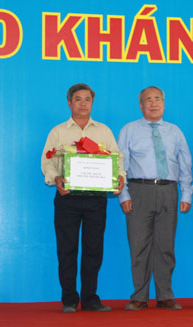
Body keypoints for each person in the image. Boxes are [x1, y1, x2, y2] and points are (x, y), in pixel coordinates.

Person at [41, 83, 125, 313]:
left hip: (96, 199)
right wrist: (55, 178)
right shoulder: (58, 131)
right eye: (78, 99)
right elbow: (47, 160)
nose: (83, 103)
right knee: (66, 249)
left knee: (93, 249)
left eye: (87, 99)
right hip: (67, 198)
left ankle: (90, 298)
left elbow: (117, 160)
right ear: (69, 102)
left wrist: (120, 177)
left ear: (92, 103)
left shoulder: (103, 131)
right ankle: (69, 299)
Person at [117, 86, 193, 311]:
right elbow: (120, 164)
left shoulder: (174, 131)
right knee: (138, 246)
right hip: (139, 191)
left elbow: (185, 163)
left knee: (165, 246)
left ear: (164, 103)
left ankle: (165, 295)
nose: (153, 103)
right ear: (141, 105)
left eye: (157, 99)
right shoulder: (129, 130)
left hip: (168, 190)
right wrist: (123, 195)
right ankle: (139, 296)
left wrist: (186, 193)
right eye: (148, 100)